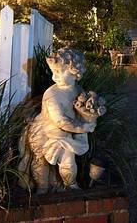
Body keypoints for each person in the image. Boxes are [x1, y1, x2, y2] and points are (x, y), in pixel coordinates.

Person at [19, 48, 102, 192]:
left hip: (65, 135)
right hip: (44, 133)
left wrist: (89, 118)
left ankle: (71, 185)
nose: (54, 77)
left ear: (75, 72)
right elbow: (60, 121)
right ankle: (42, 188)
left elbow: (82, 112)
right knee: (41, 162)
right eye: (53, 72)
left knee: (68, 161)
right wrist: (83, 127)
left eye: (58, 72)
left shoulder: (78, 91)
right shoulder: (52, 94)